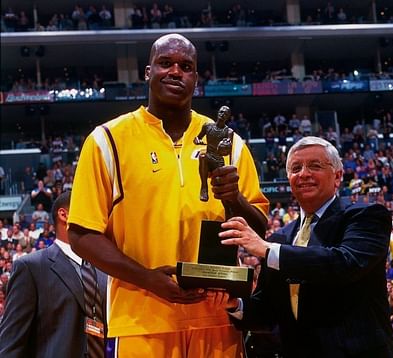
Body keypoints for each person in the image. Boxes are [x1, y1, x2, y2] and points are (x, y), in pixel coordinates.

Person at [67, 33, 268, 358]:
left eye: (186, 66)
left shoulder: (230, 142)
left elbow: (259, 232)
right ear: (148, 72)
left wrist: (234, 199)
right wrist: (150, 280)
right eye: (165, 63)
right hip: (141, 320)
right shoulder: (107, 140)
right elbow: (81, 234)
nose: (176, 71)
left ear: (196, 78)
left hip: (216, 317)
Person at [219, 136, 393, 357]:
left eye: (315, 166)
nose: (303, 174)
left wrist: (267, 249)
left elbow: (345, 263)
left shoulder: (365, 216)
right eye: (296, 168)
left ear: (338, 176)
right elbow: (267, 312)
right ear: (289, 179)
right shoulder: (280, 238)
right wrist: (235, 305)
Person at [0, 191, 108, 357]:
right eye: (88, 209)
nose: (97, 216)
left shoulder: (103, 270)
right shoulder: (31, 267)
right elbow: (11, 344)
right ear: (64, 215)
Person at [193, 105, 234, 202]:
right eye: (221, 112)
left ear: (227, 117)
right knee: (202, 156)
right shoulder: (207, 126)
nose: (222, 114)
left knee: (222, 189)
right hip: (208, 156)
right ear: (218, 112)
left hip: (218, 160)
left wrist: (225, 146)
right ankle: (204, 188)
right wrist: (198, 141)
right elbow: (197, 138)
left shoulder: (229, 131)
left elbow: (228, 150)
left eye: (225, 114)